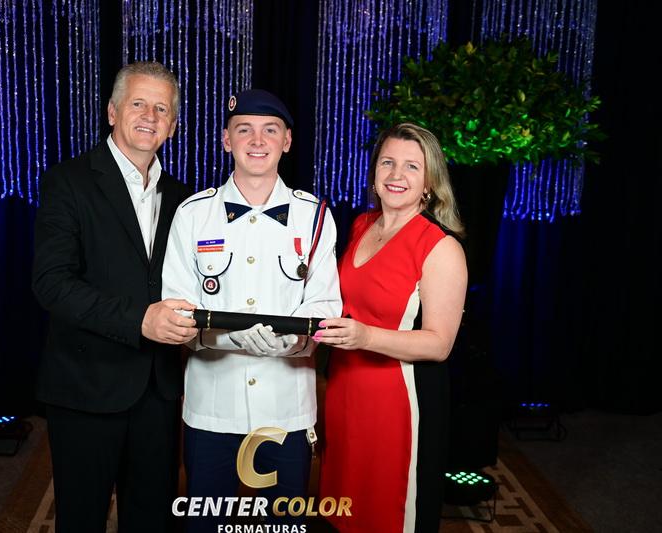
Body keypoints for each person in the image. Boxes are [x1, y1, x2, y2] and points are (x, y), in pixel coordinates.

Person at [162, 89, 343, 532]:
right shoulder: (192, 214)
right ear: (227, 140)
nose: (257, 141)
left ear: (287, 141)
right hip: (212, 406)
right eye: (244, 130)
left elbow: (325, 305)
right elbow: (176, 307)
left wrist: (293, 341)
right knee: (206, 524)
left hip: (286, 409)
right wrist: (223, 337)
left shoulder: (315, 216)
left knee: (280, 525)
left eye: (270, 130)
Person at [32, 61, 198, 533]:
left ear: (173, 125)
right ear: (112, 112)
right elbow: (51, 283)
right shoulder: (68, 181)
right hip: (86, 386)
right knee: (82, 519)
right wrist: (139, 320)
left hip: (158, 391)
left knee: (151, 519)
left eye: (161, 109)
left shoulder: (184, 198)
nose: (149, 116)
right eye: (138, 104)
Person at [316, 123, 467, 533]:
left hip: (399, 407)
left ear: (429, 182)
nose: (396, 175)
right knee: (342, 513)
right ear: (374, 172)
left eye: (412, 167)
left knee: (387, 515)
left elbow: (439, 344)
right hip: (345, 393)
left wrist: (365, 336)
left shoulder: (441, 247)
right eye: (388, 162)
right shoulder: (361, 225)